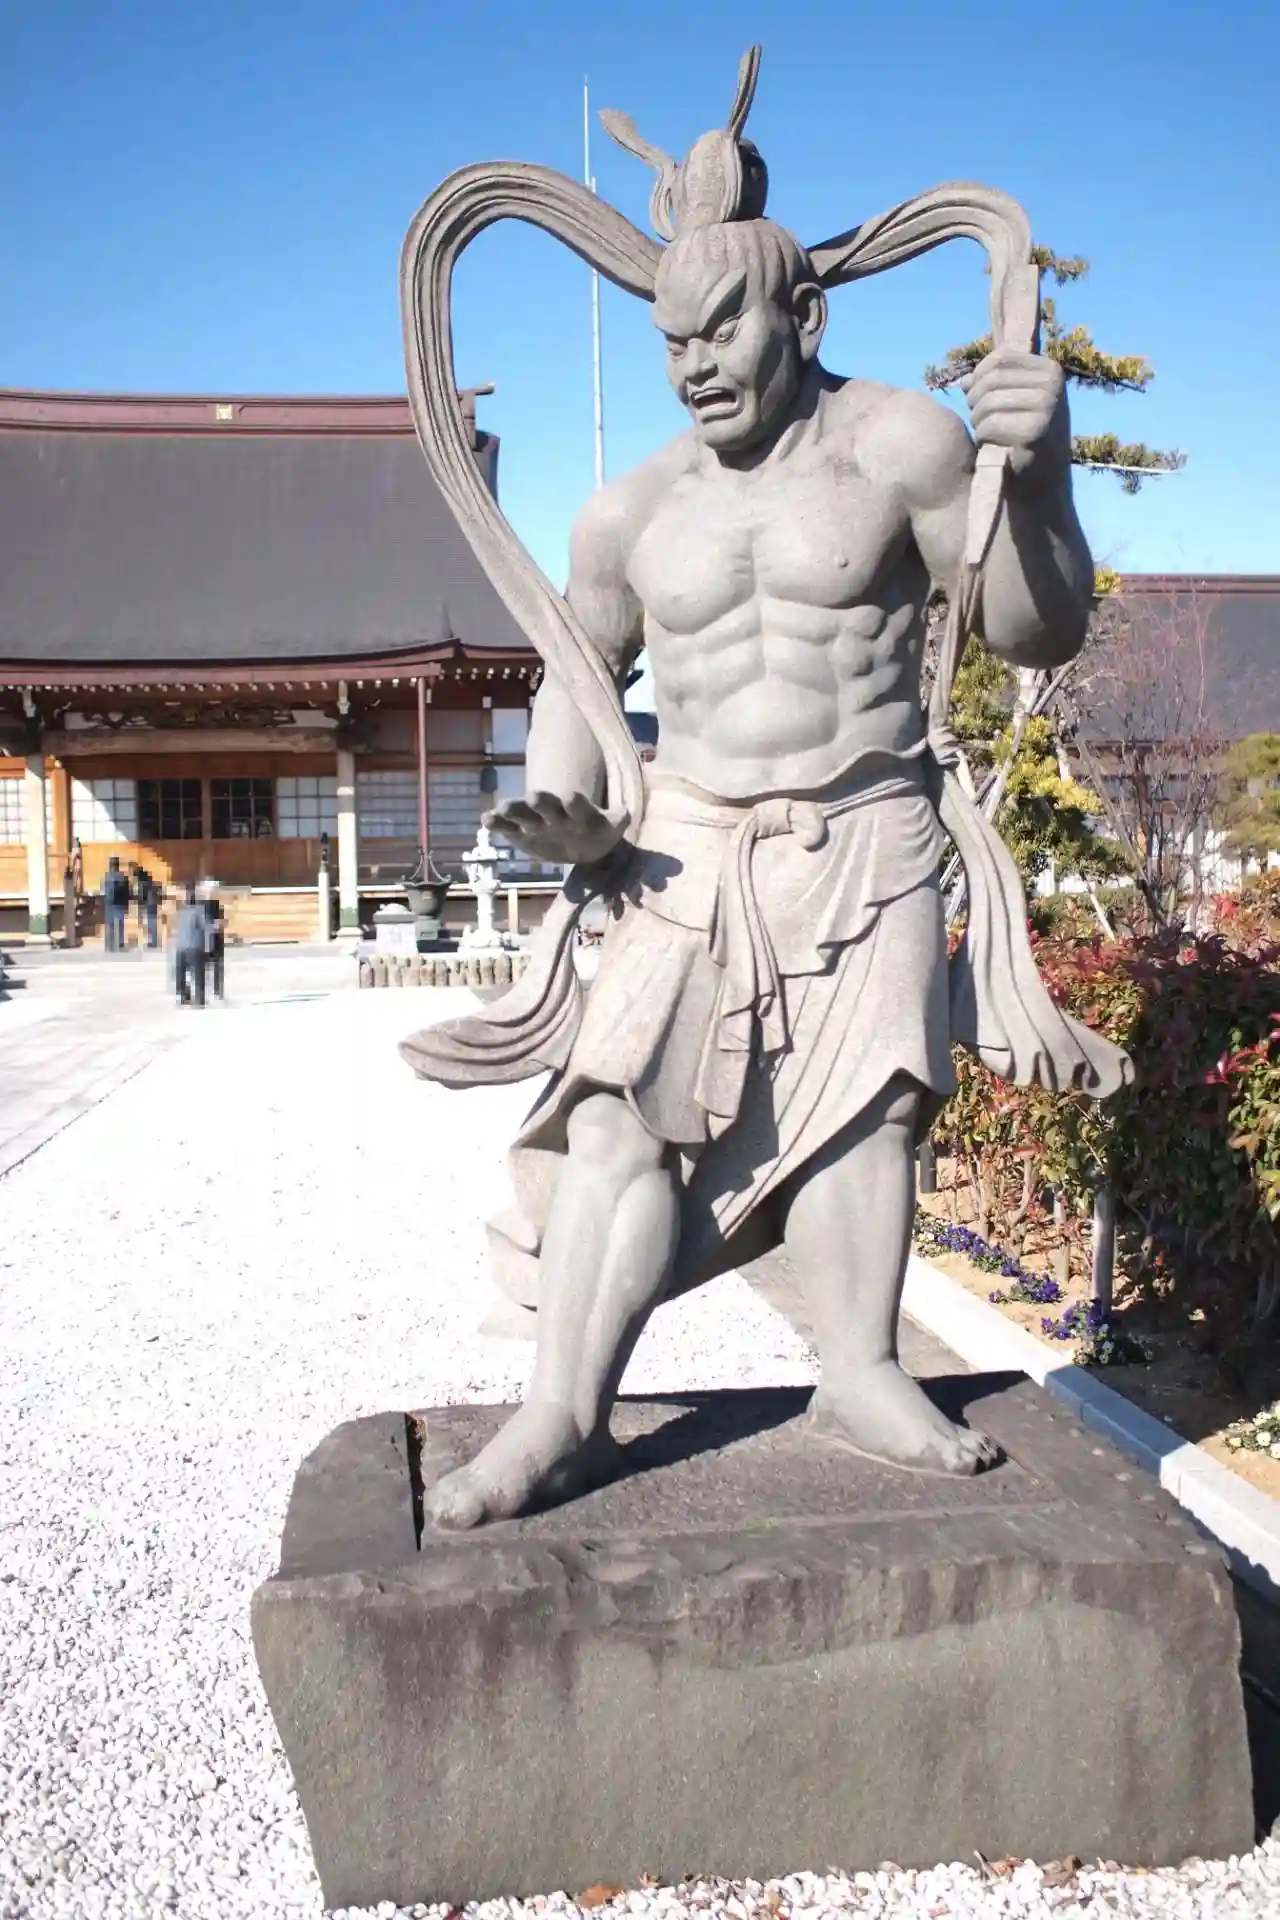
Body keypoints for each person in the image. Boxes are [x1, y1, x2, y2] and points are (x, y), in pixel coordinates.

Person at [401, 61, 1130, 1528]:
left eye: (722, 327)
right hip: (685, 849)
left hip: (868, 826)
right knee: (615, 1122)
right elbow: (574, 674)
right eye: (671, 338)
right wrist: (571, 812)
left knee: (870, 1116)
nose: (693, 364)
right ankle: (561, 1414)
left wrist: (1043, 478)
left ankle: (858, 1368)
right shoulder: (630, 511)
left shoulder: (901, 445)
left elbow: (1029, 629)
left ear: (804, 315)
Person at [173, 886, 207, 1007]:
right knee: (198, 973)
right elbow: (205, 926)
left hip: (181, 946)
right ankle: (199, 998)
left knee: (181, 972)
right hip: (194, 946)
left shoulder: (180, 912)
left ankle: (182, 995)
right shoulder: (199, 911)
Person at [101, 857, 130, 953]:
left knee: (110, 925)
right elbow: (127, 892)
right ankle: (120, 943)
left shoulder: (107, 876)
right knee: (120, 925)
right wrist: (126, 906)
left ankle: (109, 944)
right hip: (120, 905)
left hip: (110, 904)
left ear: (110, 865)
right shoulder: (123, 877)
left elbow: (104, 891)